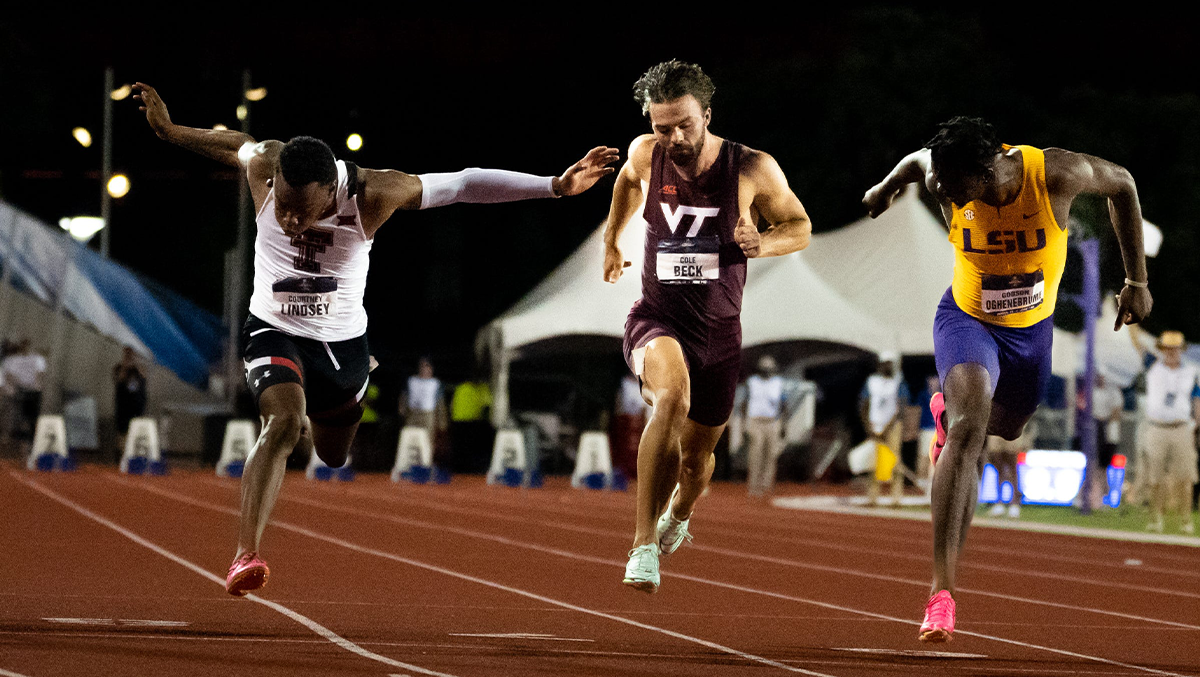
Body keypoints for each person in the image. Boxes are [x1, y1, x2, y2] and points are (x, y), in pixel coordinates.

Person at [133, 82, 619, 597]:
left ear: (330, 191)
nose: (293, 221)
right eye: (285, 210)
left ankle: (353, 386)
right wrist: (170, 130)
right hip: (274, 328)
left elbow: (461, 184)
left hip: (343, 344)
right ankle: (244, 555)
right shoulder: (264, 167)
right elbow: (235, 141)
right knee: (282, 422)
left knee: (334, 453)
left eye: (304, 210)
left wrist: (554, 186)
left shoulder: (374, 193)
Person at [863, 116, 1152, 642]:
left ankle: (954, 421)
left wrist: (1136, 280)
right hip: (966, 319)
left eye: (953, 187)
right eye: (941, 186)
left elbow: (1125, 185)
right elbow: (915, 164)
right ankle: (941, 593)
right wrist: (884, 188)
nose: (942, 195)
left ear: (987, 168)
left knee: (1009, 428)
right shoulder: (940, 175)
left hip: (1030, 332)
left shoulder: (1055, 174)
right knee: (970, 427)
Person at [602, 60, 812, 593]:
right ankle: (642, 545)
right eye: (661, 126)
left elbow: (800, 226)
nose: (672, 137)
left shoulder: (751, 169)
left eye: (683, 125)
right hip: (657, 316)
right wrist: (611, 241)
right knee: (671, 398)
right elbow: (628, 183)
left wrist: (762, 244)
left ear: (707, 114)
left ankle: (681, 512)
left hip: (719, 332)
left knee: (697, 463)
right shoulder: (645, 154)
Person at [1139, 331, 1199, 533]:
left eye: (1175, 348)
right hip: (1157, 427)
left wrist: (1197, 425)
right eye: (1168, 348)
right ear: (1162, 349)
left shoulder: (1191, 372)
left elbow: (1196, 399)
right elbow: (1136, 341)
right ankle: (1156, 518)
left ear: (1180, 350)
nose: (1171, 352)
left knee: (1186, 477)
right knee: (1155, 478)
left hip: (1181, 428)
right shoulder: (1153, 366)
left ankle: (1185, 520)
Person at [859, 352, 910, 506]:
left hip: (892, 426)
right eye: (885, 363)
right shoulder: (872, 382)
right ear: (880, 364)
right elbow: (864, 404)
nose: (888, 366)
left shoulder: (898, 382)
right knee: (873, 462)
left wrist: (887, 428)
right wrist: (868, 427)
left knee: (894, 460)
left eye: (890, 363)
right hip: (875, 424)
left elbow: (901, 407)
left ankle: (896, 498)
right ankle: (872, 497)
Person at [743, 355, 786, 499]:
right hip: (756, 421)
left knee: (771, 454)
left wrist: (783, 424)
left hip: (772, 421)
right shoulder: (753, 382)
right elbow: (745, 403)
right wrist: (745, 422)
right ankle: (754, 485)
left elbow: (783, 404)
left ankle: (766, 485)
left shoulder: (778, 383)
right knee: (756, 453)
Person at [0, 339, 47, 456]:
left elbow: (37, 377)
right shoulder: (13, 360)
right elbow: (10, 375)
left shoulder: (27, 360)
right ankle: (11, 438)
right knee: (17, 416)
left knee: (24, 419)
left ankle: (23, 445)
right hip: (24, 390)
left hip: (26, 391)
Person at [984, 420, 1035, 518]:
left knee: (1012, 462)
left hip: (1013, 420)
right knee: (997, 462)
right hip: (996, 422)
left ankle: (1015, 503)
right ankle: (999, 502)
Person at [113, 346, 148, 458]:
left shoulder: (138, 370)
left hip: (137, 407)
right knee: (122, 433)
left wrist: (136, 363)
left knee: (135, 433)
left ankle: (134, 456)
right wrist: (125, 363)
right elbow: (119, 379)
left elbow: (144, 377)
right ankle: (121, 456)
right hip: (123, 408)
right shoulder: (119, 368)